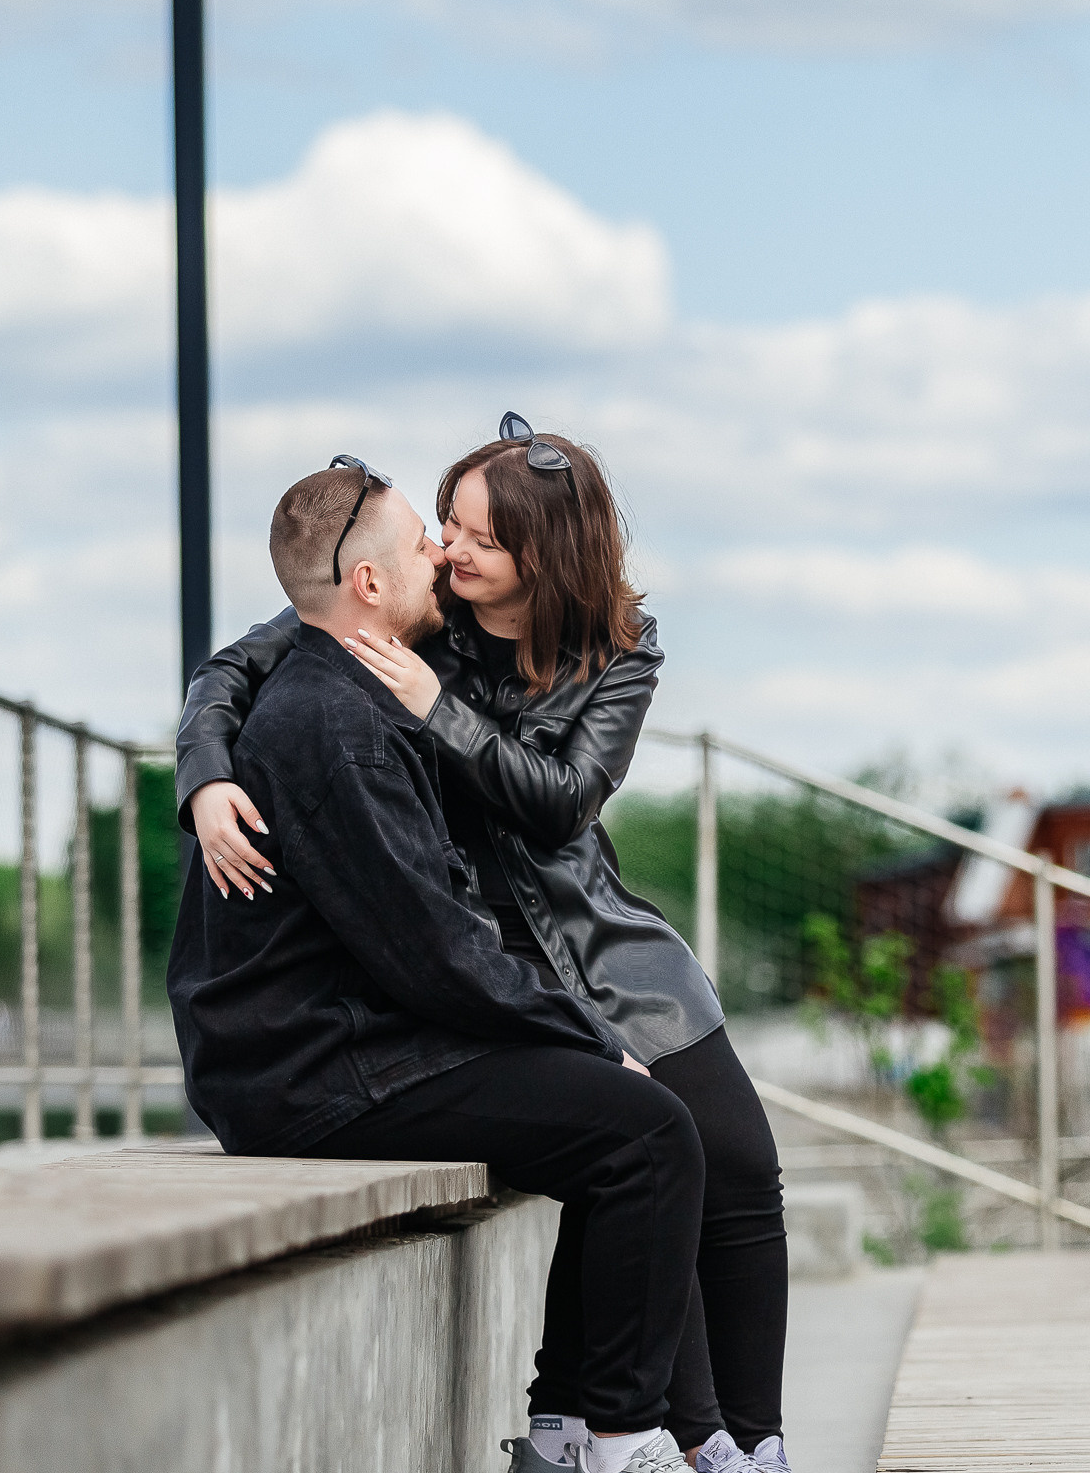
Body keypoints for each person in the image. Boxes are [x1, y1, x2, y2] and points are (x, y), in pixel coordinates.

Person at [177, 419, 788, 1473]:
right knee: (646, 1133)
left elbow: (558, 808)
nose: (449, 553)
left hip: (576, 940)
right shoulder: (384, 638)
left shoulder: (614, 650)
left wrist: (440, 710)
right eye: (441, 529)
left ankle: (745, 1439)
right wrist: (204, 775)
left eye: (471, 538)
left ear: (539, 563)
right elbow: (243, 665)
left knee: (733, 1165)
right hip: (453, 960)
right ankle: (656, 1439)